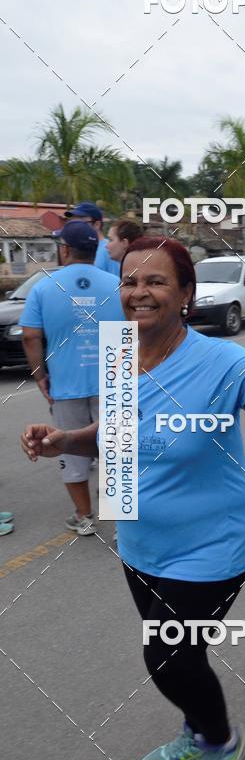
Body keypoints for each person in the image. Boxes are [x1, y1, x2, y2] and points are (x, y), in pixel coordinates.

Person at [21, 237, 245, 760]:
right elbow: (118, 430)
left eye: (155, 282)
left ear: (186, 295)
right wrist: (64, 442)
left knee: (167, 655)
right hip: (141, 539)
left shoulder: (220, 361)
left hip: (212, 543)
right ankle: (197, 727)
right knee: (185, 654)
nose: (138, 293)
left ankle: (221, 740)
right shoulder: (118, 351)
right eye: (129, 281)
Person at [20, 221, 124, 535]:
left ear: (64, 249)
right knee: (117, 450)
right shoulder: (118, 283)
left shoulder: (43, 286)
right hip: (115, 380)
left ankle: (84, 516)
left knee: (70, 450)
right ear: (95, 250)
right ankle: (122, 524)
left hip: (66, 385)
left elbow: (29, 337)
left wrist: (40, 377)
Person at [63, 201, 121, 276]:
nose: (76, 226)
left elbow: (117, 283)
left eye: (81, 222)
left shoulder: (109, 249)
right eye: (73, 221)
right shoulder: (74, 248)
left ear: (97, 224)